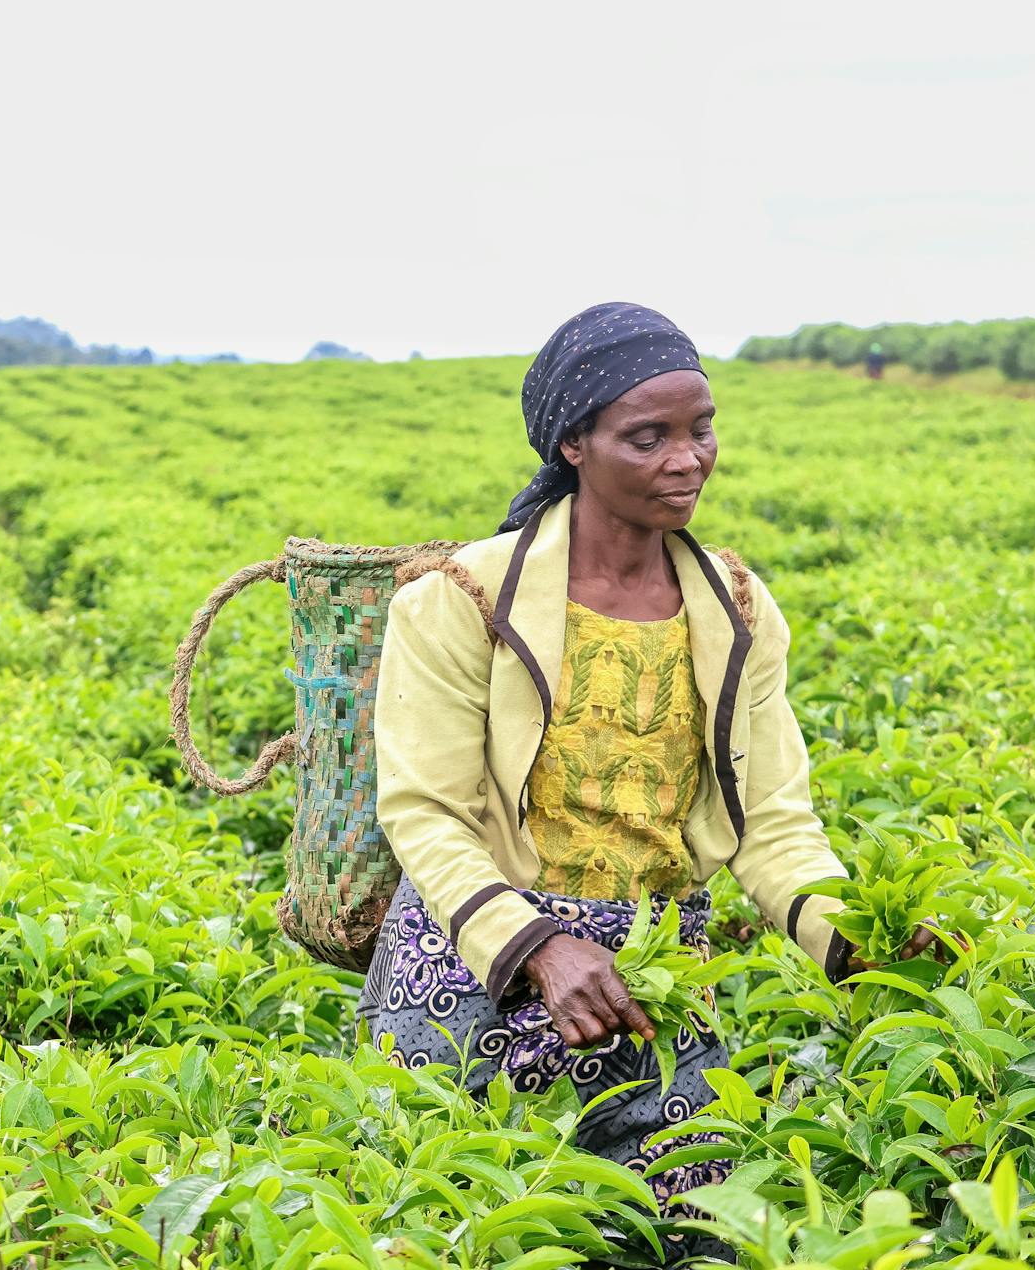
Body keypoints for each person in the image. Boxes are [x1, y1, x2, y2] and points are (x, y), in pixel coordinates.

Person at [356, 303, 940, 1263]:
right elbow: (426, 814)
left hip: (658, 978)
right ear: (574, 445)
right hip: (473, 968)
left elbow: (774, 823)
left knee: (700, 1230)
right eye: (649, 436)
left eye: (701, 428)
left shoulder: (738, 609)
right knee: (464, 1221)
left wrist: (855, 938)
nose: (688, 458)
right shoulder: (457, 603)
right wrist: (539, 948)